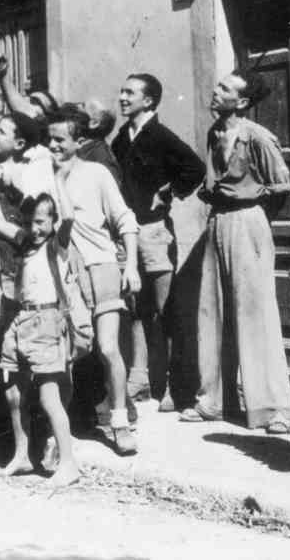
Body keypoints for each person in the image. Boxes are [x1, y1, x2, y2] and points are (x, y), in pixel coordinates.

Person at [183, 69, 290, 434]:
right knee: (211, 310)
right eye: (217, 85)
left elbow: (281, 186)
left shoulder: (258, 137)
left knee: (255, 313)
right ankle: (213, 400)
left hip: (248, 224)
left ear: (242, 102)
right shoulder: (216, 133)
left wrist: (250, 208)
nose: (215, 92)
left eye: (225, 89)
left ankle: (271, 407)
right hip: (217, 223)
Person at [47, 105, 141, 455]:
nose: (53, 146)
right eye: (49, 139)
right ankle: (60, 432)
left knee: (107, 348)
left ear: (78, 140)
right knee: (66, 353)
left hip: (101, 267)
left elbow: (125, 219)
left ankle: (119, 423)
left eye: (60, 140)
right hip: (62, 274)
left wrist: (130, 266)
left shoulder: (97, 173)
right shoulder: (42, 174)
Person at [112, 73, 205, 412]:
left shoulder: (161, 136)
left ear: (148, 101)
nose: (122, 97)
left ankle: (174, 388)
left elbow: (195, 168)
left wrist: (168, 192)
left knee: (166, 310)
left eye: (130, 92)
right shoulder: (123, 138)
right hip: (127, 234)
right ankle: (141, 378)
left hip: (154, 233)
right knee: (135, 307)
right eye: (122, 91)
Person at [0, 183, 82, 487]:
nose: (34, 228)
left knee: (49, 396)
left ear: (51, 222)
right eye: (29, 222)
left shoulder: (58, 245)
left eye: (41, 222)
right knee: (14, 393)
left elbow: (68, 219)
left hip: (46, 319)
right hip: (21, 319)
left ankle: (69, 464)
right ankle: (22, 456)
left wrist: (60, 177)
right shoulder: (26, 242)